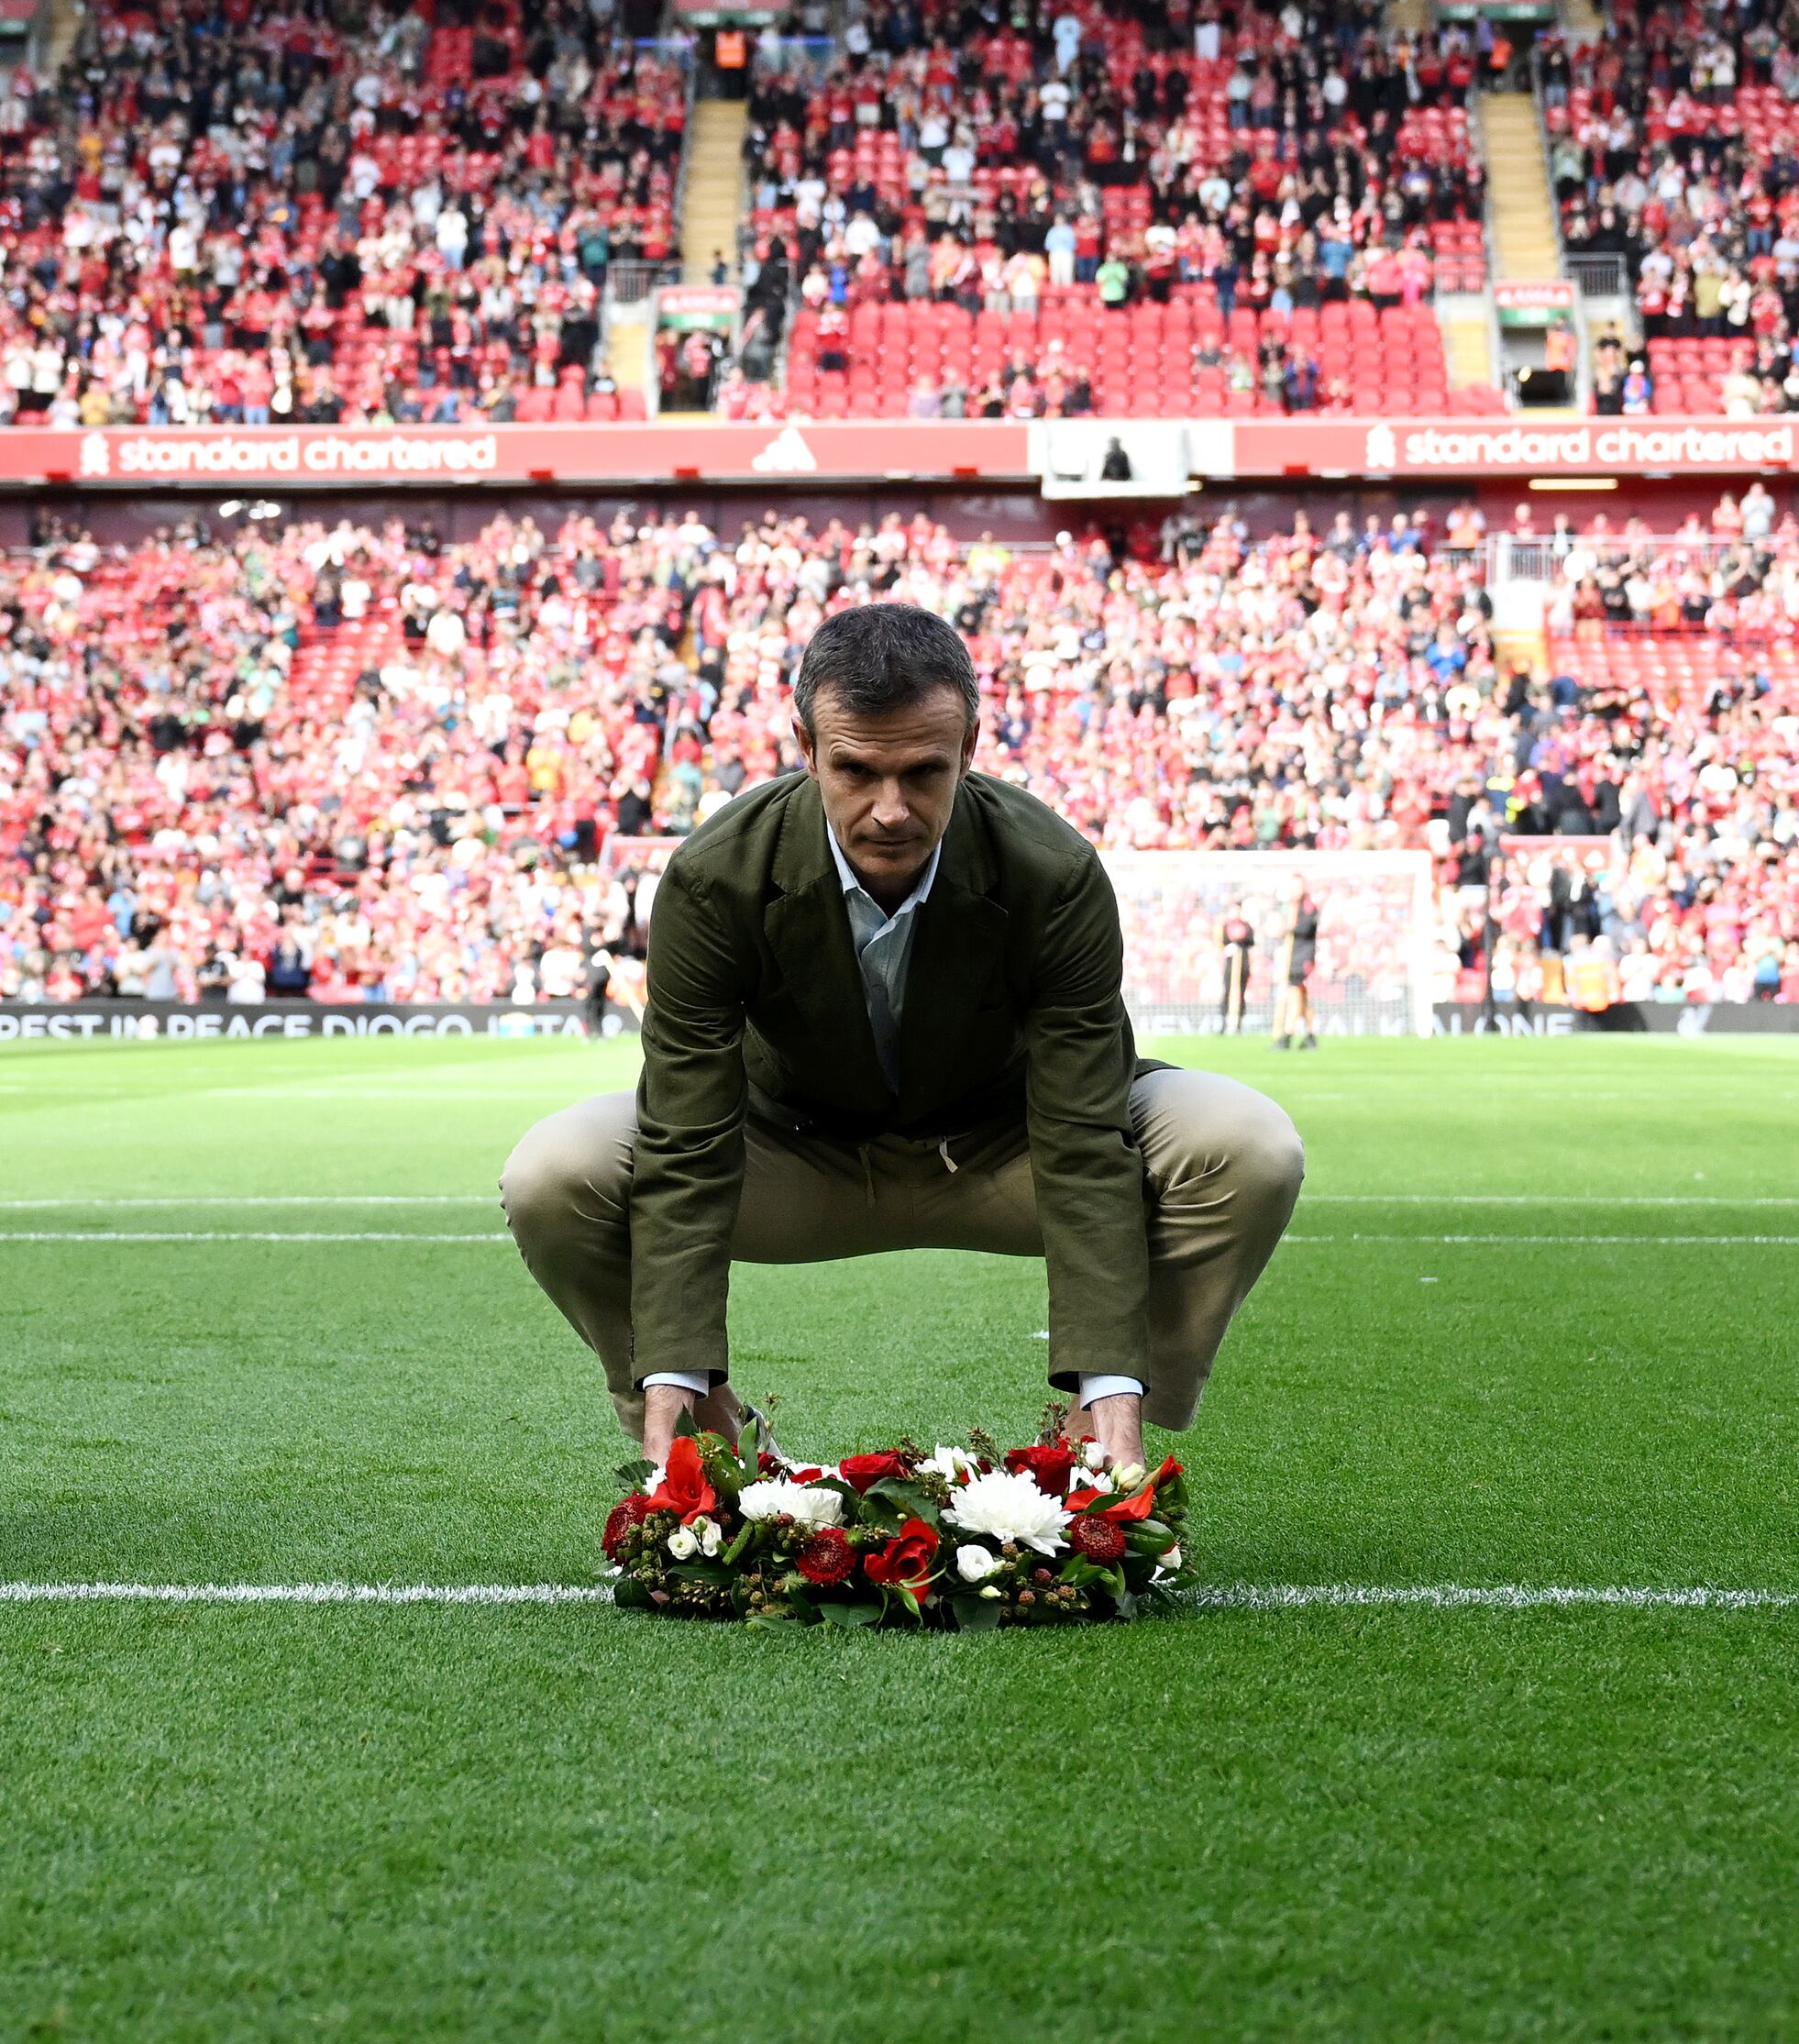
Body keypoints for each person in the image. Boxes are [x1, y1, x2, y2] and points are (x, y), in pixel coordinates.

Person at [501, 602, 1305, 1473]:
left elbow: (1080, 1132)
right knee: (552, 1170)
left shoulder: (1055, 872)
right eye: (855, 770)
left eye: (924, 771)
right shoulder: (711, 876)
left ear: (970, 746)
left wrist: (1111, 1384)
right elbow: (688, 1137)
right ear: (805, 748)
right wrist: (671, 1370)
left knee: (1248, 1142)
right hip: (789, 1157)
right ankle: (699, 1429)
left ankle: (1101, 1434)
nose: (891, 809)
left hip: (1006, 1150)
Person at [1275, 887, 1320, 1051]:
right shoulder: (1292, 907)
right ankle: (1310, 1035)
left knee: (1295, 994)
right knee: (1301, 997)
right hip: (1293, 956)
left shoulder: (1308, 908)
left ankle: (1287, 1035)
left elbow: (1305, 929)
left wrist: (1289, 928)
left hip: (1303, 958)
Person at [1213, 906, 1255, 1036]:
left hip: (1243, 963)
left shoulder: (1246, 925)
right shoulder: (1226, 925)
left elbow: (1251, 941)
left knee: (1241, 993)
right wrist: (1228, 947)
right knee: (1227, 992)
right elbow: (1221, 941)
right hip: (1230, 963)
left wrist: (1240, 944)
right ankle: (1223, 1022)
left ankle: (1239, 1023)